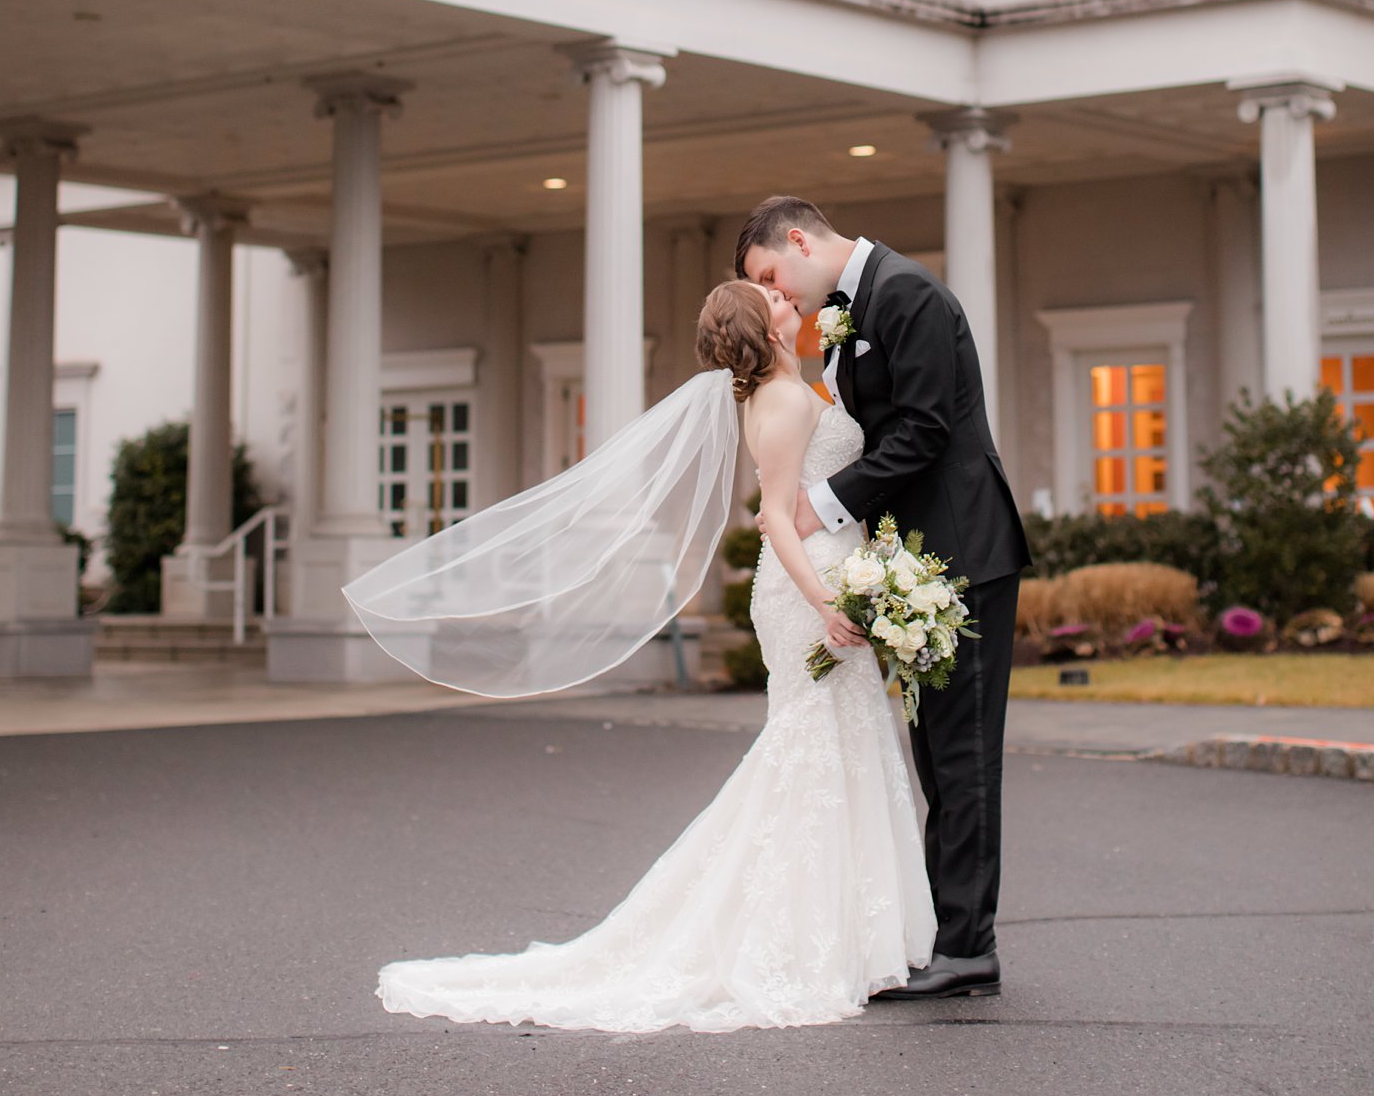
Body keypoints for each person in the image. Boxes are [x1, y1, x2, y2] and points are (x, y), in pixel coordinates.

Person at [365, 277, 935, 1033]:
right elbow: (772, 516)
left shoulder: (789, 390)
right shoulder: (788, 402)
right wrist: (828, 603)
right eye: (780, 306)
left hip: (824, 578)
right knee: (815, 750)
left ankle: (848, 932)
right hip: (808, 592)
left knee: (834, 746)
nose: (795, 304)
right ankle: (817, 939)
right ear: (767, 334)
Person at [738, 194, 1030, 1000]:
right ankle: (949, 933)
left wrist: (823, 503)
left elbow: (926, 428)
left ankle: (969, 947)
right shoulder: (850, 307)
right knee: (938, 751)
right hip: (918, 559)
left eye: (771, 274)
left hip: (967, 551)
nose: (781, 296)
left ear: (797, 240)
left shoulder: (907, 295)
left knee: (963, 752)